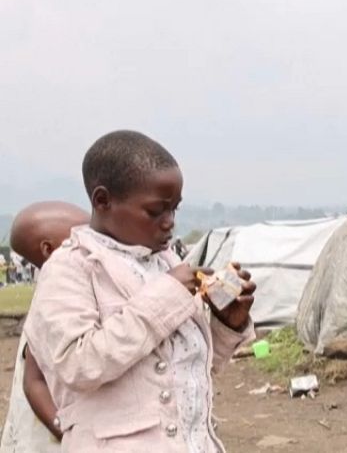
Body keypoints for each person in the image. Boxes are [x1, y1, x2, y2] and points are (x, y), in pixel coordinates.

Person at [24, 130, 257, 452]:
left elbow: (185, 370)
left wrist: (227, 324)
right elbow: (79, 366)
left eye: (174, 209)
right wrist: (168, 295)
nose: (169, 222)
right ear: (102, 200)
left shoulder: (165, 263)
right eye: (155, 211)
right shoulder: (69, 269)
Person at [0, 201, 89, 452]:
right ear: (49, 250)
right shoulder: (53, 306)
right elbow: (34, 384)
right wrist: (69, 434)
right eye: (81, 239)